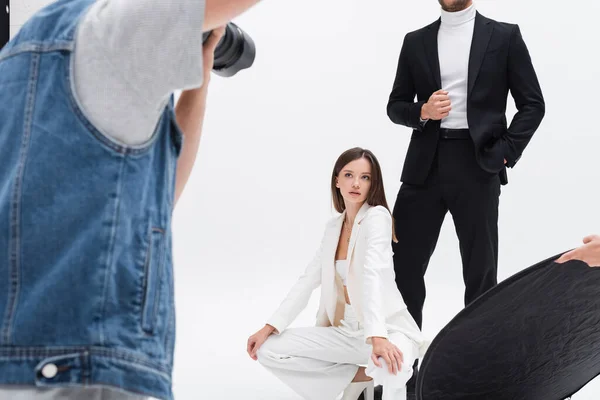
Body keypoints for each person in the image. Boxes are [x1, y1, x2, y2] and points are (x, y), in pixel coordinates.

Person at [0, 0, 261, 399]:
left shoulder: (12, 62)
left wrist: (199, 75)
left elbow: (156, 197)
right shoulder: (117, 29)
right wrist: (205, 23)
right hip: (88, 368)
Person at [385, 0, 545, 394]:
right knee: (403, 272)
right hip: (425, 167)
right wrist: (422, 111)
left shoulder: (504, 36)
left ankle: (476, 381)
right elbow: (395, 106)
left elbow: (533, 104)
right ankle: (409, 380)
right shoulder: (415, 41)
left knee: (480, 279)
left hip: (478, 166)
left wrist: (504, 151)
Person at [246, 148, 429, 400]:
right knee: (268, 349)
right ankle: (357, 376)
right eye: (349, 175)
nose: (356, 183)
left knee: (391, 368)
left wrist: (377, 337)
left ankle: (368, 374)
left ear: (373, 184)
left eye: (365, 177)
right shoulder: (333, 227)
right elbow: (308, 279)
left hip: (386, 329)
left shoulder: (378, 217)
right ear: (337, 180)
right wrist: (269, 327)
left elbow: (372, 276)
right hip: (344, 333)